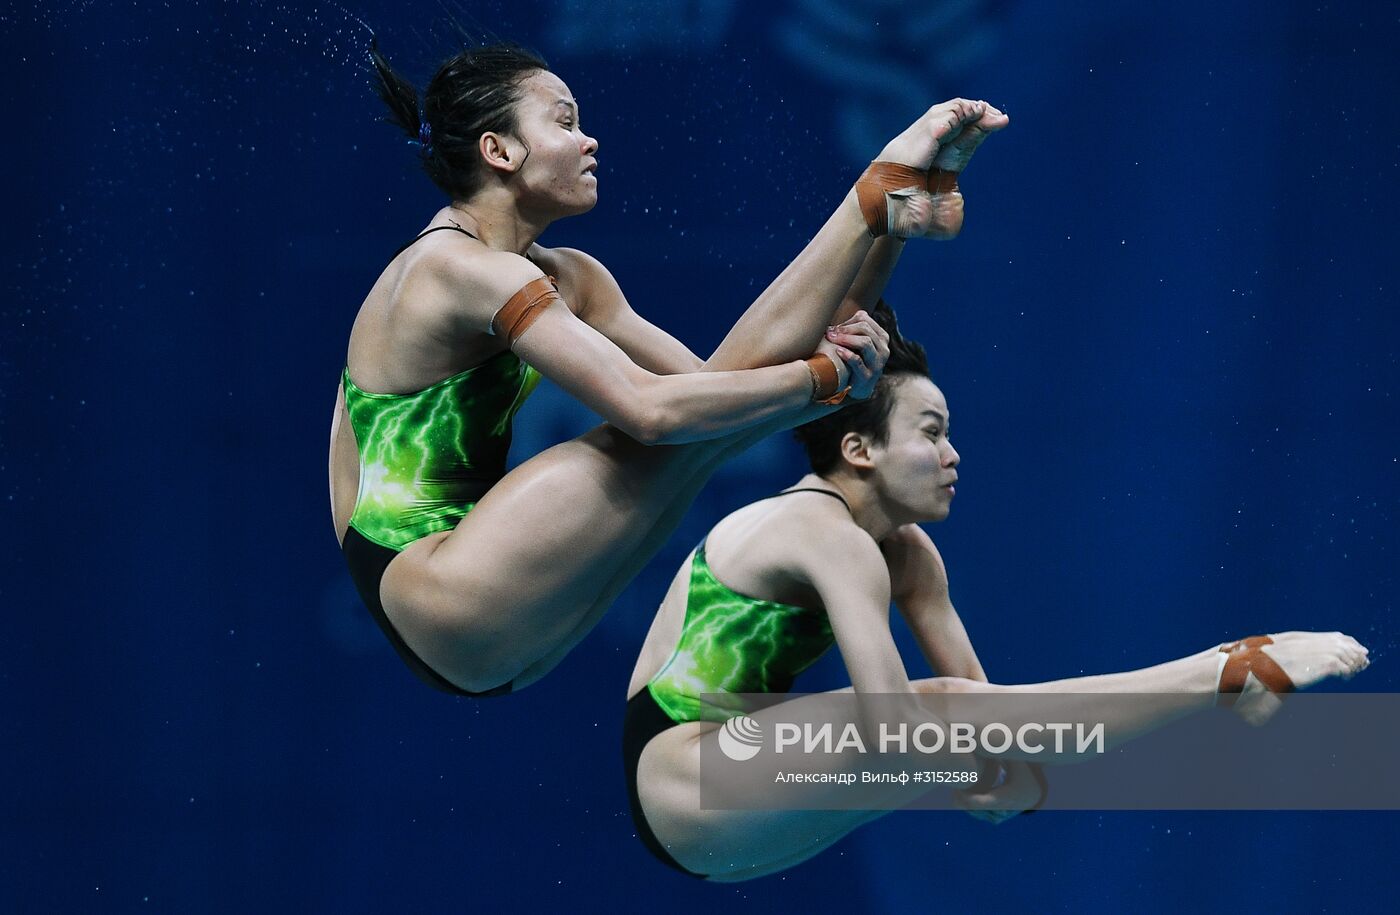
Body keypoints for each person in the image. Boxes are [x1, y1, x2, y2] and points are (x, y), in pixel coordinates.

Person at [327, 40, 1011, 696]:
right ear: (498, 150)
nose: (589, 140)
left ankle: (884, 210)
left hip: (498, 633)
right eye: (565, 122)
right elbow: (651, 413)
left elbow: (717, 389)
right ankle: (876, 195)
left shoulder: (570, 276)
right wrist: (824, 382)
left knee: (720, 420)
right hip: (438, 590)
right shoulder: (453, 268)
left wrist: (853, 318)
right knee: (684, 430)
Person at [623, 302, 1371, 881]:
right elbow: (900, 730)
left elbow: (991, 727)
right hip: (683, 777)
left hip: (733, 822)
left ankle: (1223, 685)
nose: (952, 455)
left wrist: (1000, 776)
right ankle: (1226, 669)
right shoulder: (824, 531)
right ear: (858, 449)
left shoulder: (910, 557)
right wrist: (982, 769)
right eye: (931, 431)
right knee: (935, 715)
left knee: (961, 719)